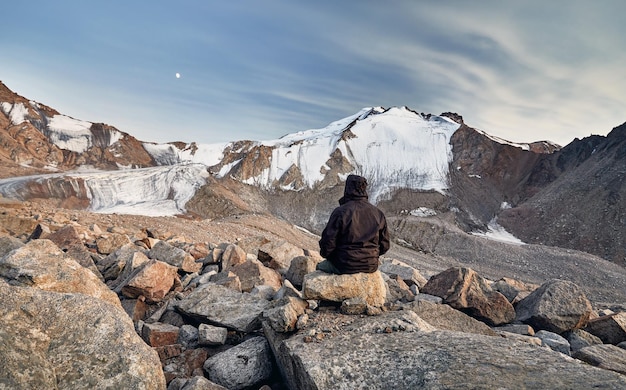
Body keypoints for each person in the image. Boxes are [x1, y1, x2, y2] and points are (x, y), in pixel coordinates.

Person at [317, 174, 390, 274]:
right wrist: (371, 256)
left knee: (320, 267)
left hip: (344, 265)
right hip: (370, 266)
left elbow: (328, 243)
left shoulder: (340, 212)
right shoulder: (378, 214)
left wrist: (330, 257)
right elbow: (385, 245)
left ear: (347, 189)